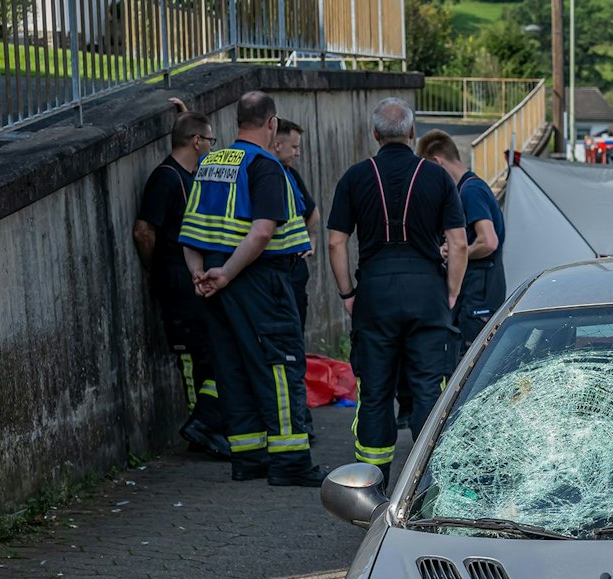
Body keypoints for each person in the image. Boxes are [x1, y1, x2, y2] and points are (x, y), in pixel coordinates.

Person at [179, 90, 325, 487]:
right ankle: (290, 461)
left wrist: (201, 273)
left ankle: (248, 458)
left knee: (233, 366)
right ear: (272, 124)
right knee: (281, 365)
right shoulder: (266, 166)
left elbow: (190, 229)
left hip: (214, 281)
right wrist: (226, 272)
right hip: (258, 280)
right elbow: (262, 232)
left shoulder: (210, 163)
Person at [327, 98, 467, 476]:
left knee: (374, 391)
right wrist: (450, 293)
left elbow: (336, 242)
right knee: (428, 390)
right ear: (411, 131)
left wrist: (347, 294)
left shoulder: (355, 177)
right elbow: (458, 243)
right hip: (427, 293)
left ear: (374, 134)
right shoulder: (437, 177)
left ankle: (371, 486)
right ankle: (429, 484)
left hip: (374, 292)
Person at [132, 111, 229, 458]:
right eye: (210, 141)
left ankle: (206, 423)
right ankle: (198, 427)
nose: (211, 148)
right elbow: (144, 231)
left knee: (208, 353)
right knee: (191, 356)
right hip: (175, 278)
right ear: (196, 141)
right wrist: (154, 270)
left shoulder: (188, 176)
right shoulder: (166, 178)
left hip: (191, 278)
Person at [419, 129, 507, 354]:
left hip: (480, 294)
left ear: (437, 162)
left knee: (471, 361)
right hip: (479, 290)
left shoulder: (470, 192)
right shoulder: (470, 188)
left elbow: (488, 241)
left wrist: (458, 252)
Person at [272, 120, 318, 332]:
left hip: (294, 270)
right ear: (278, 145)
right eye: (295, 146)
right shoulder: (264, 174)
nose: (298, 153)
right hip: (274, 271)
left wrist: (311, 239)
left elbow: (313, 213)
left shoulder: (290, 174)